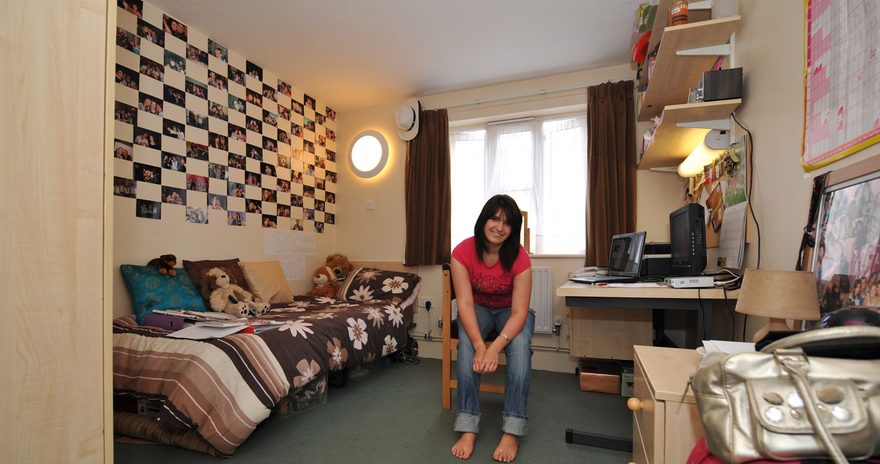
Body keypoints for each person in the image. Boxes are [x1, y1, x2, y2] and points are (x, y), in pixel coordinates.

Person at [450, 194, 533, 463]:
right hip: (478, 309)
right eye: (495, 218)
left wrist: (494, 347)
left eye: (507, 223)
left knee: (519, 346)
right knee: (465, 344)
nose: (500, 227)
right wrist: (478, 345)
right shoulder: (462, 252)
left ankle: (513, 429)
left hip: (512, 311)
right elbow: (463, 303)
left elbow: (520, 312)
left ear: (513, 230)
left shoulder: (520, 258)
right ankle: (467, 426)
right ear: (484, 219)